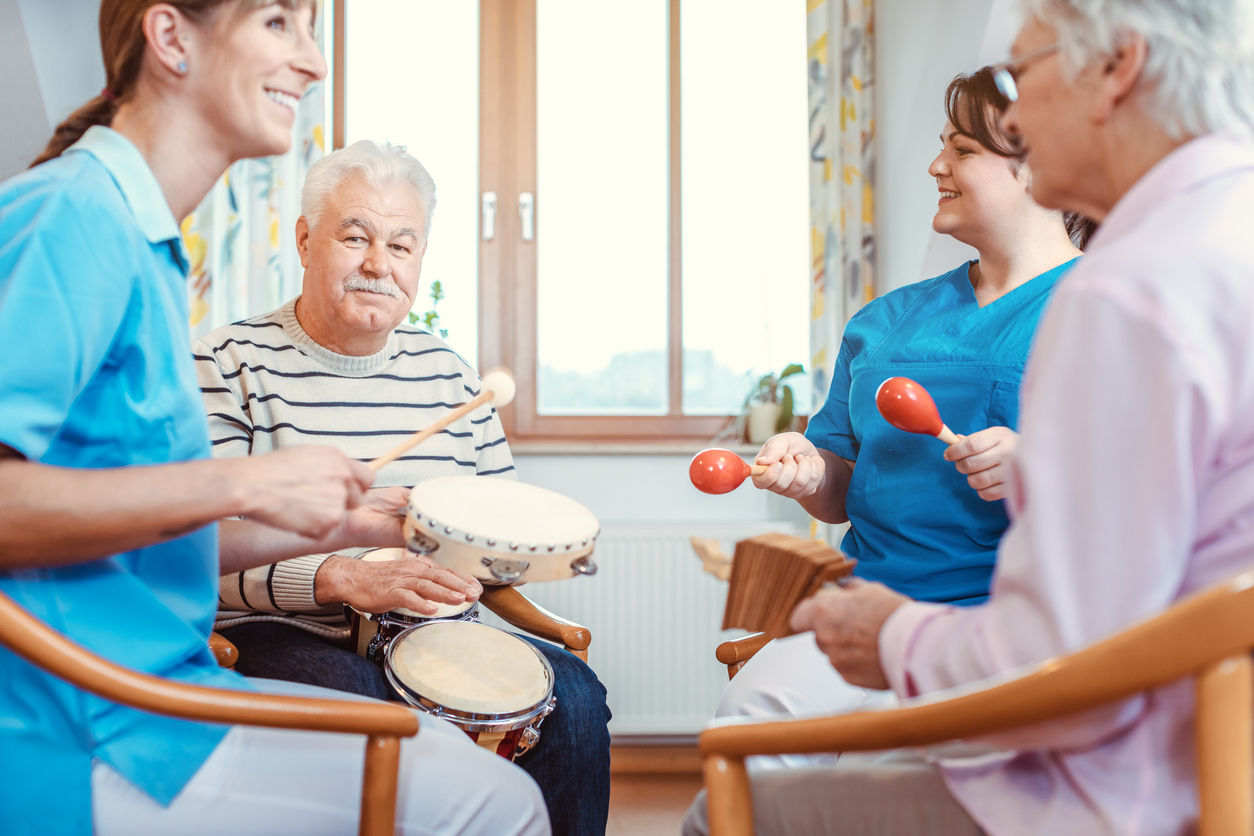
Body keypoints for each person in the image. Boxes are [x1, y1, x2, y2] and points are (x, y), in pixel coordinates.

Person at [697, 0, 1254, 833]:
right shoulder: (1218, 236)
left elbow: (1063, 670)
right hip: (1186, 749)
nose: (1020, 115)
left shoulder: (1125, 289)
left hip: (1116, 783)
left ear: (1117, 68)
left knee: (724, 808)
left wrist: (892, 638)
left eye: (1024, 74)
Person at [0, 3, 546, 835]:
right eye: (278, 23)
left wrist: (343, 522)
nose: (315, 62)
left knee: (475, 776)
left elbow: (138, 534)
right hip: (87, 731)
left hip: (159, 700)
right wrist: (239, 479)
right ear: (172, 37)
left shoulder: (140, 237)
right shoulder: (76, 217)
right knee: (489, 800)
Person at [195, 138, 612, 836]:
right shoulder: (227, 362)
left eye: (401, 245)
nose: (377, 264)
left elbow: (497, 532)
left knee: (574, 696)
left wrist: (519, 558)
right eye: (354, 236)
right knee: (379, 714)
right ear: (304, 240)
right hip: (285, 630)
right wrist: (337, 578)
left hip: (436, 632)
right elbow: (191, 551)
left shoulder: (448, 376)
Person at [713, 66, 1088, 747]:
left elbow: (1152, 490)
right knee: (747, 733)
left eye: (963, 151)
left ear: (1037, 165)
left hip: (1011, 629)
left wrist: (1042, 467)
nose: (935, 165)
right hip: (866, 612)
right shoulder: (882, 323)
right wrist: (809, 472)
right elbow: (840, 489)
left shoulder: (1103, 308)